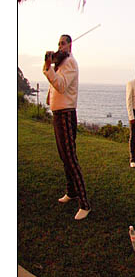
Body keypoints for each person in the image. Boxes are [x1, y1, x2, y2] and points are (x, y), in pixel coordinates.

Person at [43, 34, 91, 220]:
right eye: (58, 44)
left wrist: (47, 69)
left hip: (66, 114)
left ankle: (84, 203)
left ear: (70, 45)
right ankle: (71, 192)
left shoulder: (70, 62)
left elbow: (61, 86)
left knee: (70, 158)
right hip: (58, 113)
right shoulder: (60, 64)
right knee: (64, 155)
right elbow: (55, 88)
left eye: (63, 43)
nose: (59, 47)